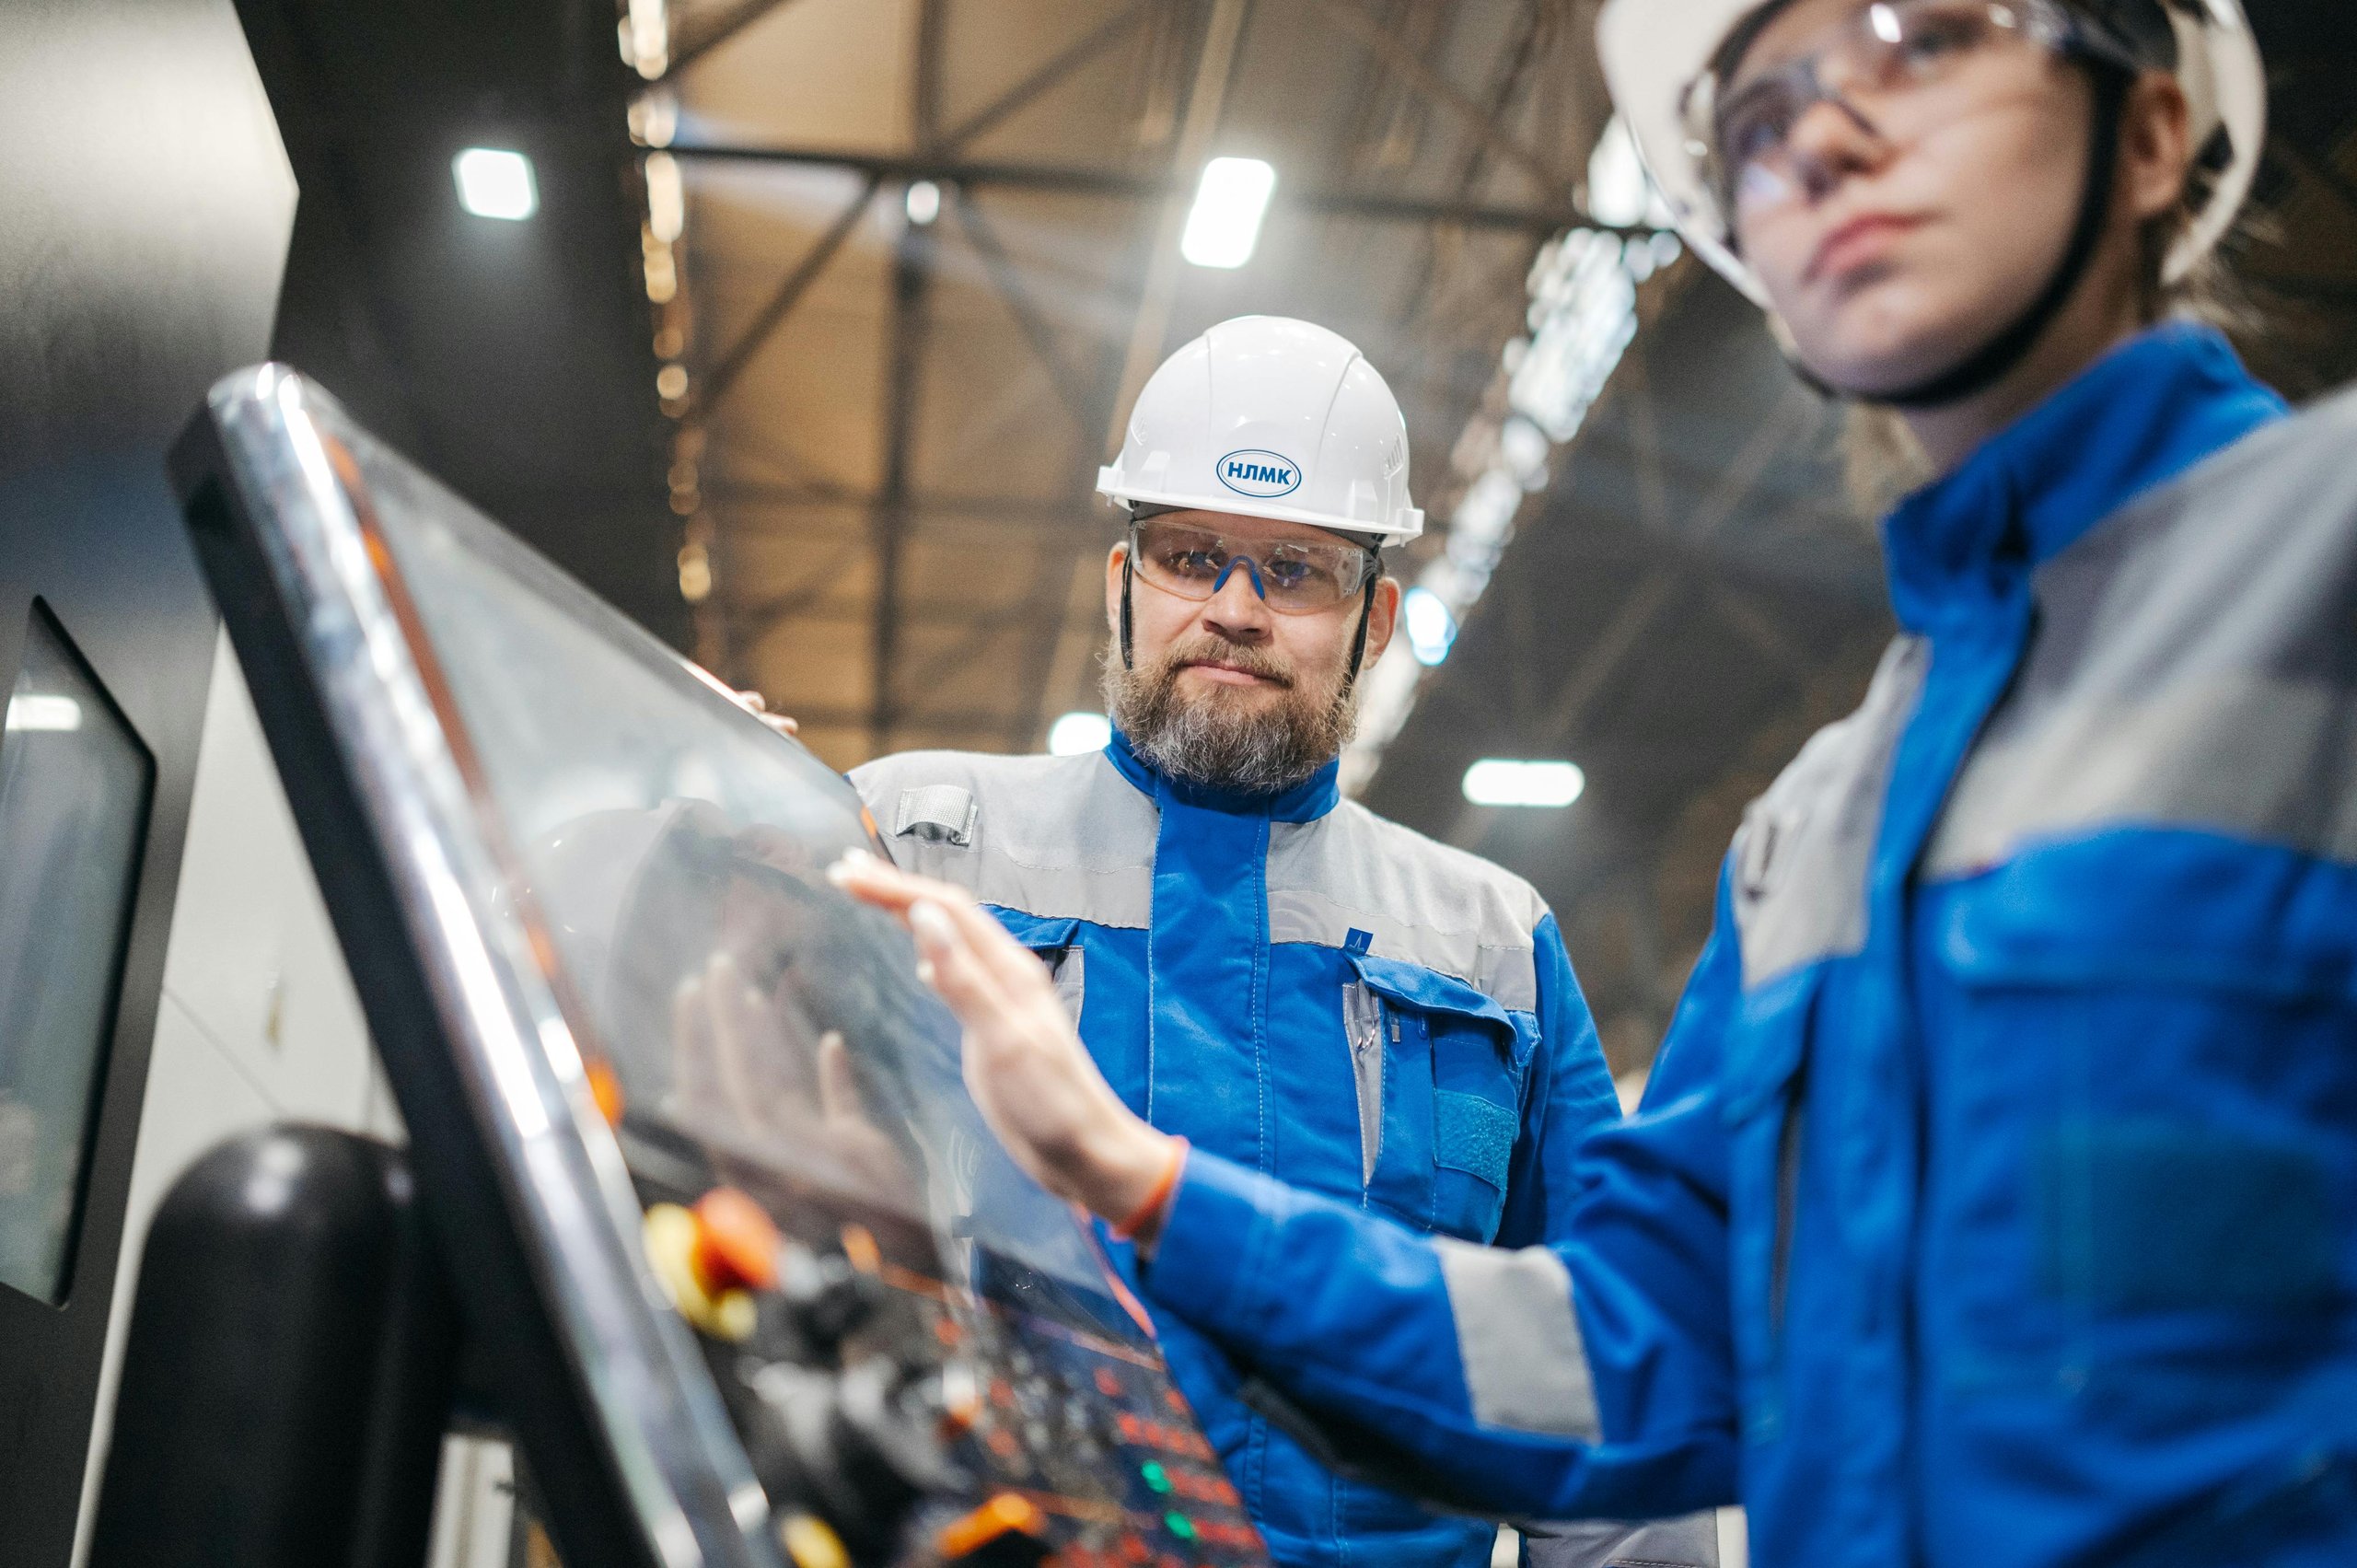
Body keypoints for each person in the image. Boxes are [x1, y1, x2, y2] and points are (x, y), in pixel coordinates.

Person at [834, 1, 2357, 1564]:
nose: (1823, 128)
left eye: (1929, 34)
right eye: (1758, 115)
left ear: (2155, 131)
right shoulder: (1821, 836)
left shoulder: (2326, 568)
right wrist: (1138, 1184)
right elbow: (1634, 1357)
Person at [823, 316, 1709, 1568]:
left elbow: (1605, 1396)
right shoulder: (915, 846)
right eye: (1191, 555)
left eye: (1296, 571)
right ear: (1122, 580)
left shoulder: (1490, 946)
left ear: (1377, 620)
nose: (1235, 611)